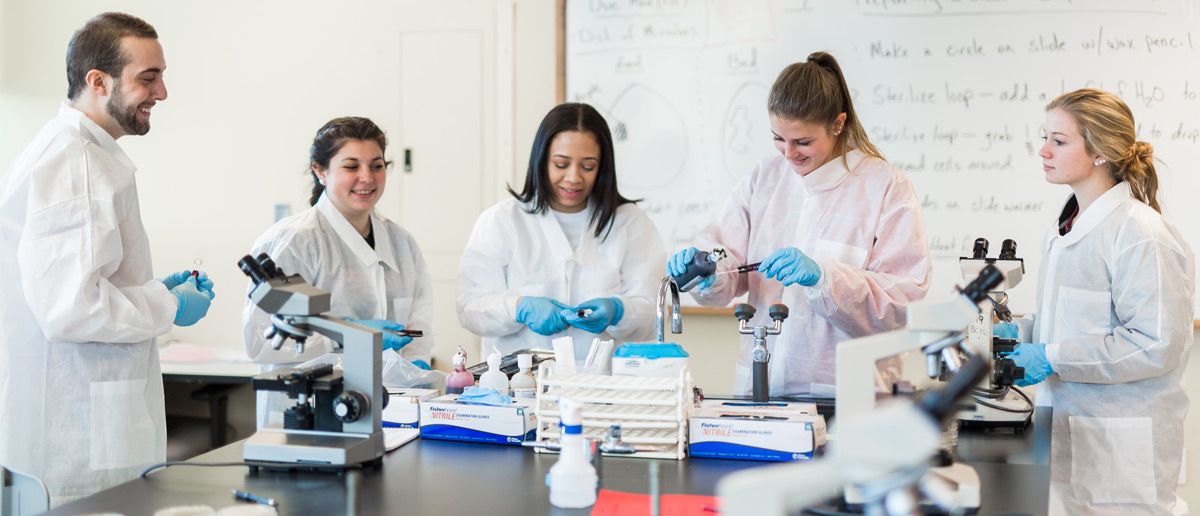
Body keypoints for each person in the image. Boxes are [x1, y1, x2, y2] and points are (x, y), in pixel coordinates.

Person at [0, 13, 215, 506]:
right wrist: (165, 303)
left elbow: (76, 283)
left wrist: (151, 288)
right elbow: (70, 309)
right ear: (98, 81)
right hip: (76, 434)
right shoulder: (73, 161)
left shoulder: (85, 154)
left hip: (88, 418)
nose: (162, 93)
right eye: (148, 78)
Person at [666, 52, 932, 397]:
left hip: (847, 395)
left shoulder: (885, 186)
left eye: (803, 142)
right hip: (761, 389)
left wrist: (825, 278)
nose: (789, 154)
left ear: (838, 124)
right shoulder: (765, 178)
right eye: (779, 138)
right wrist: (707, 267)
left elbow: (901, 302)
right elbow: (728, 261)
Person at [999, 88, 1192, 515]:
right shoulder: (1067, 226)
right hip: (1068, 432)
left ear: (1100, 152)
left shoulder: (1140, 234)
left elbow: (1156, 343)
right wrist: (1024, 333)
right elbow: (1073, 320)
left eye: (1059, 141)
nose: (1043, 150)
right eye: (1045, 137)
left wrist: (1050, 355)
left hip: (1119, 448)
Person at [243, 116, 434, 427]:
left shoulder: (401, 244)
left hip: (389, 410)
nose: (367, 178)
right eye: (351, 166)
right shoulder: (292, 242)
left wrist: (414, 367)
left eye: (376, 165)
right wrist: (343, 336)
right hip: (305, 412)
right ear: (321, 171)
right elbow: (260, 340)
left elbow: (418, 323)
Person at [457, 103, 665, 361]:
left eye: (588, 166)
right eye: (561, 164)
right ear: (542, 160)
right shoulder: (501, 221)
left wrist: (619, 310)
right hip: (519, 388)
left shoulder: (631, 223)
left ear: (603, 167)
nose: (574, 177)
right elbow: (470, 308)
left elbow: (654, 313)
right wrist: (519, 308)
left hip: (605, 388)